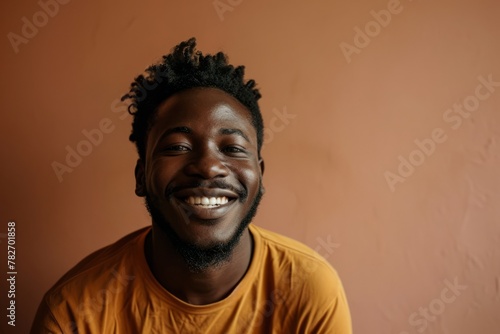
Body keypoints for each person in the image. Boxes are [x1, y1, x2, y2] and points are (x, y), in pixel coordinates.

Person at [31, 38, 352, 333]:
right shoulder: (73, 312)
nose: (209, 166)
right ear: (141, 176)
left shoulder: (308, 289)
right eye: (177, 147)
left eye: (233, 148)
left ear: (260, 175)